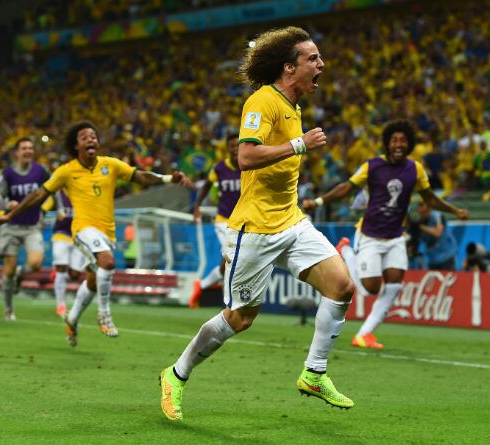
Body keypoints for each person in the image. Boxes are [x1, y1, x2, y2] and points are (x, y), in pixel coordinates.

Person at [160, 26, 356, 422]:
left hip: (291, 220)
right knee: (239, 319)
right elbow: (245, 157)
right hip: (254, 230)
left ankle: (314, 373)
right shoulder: (262, 101)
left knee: (342, 286)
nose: (322, 64)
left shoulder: (294, 105)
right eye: (313, 59)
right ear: (289, 67)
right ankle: (176, 373)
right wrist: (300, 144)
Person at [0, 121, 193, 346]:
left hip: (107, 232)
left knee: (92, 281)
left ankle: (72, 319)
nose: (91, 139)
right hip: (82, 230)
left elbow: (141, 177)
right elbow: (39, 195)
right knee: (107, 262)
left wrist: (168, 178)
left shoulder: (110, 165)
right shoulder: (66, 171)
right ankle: (104, 314)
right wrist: (9, 216)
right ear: (76, 145)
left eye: (93, 136)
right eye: (84, 137)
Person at [303, 120, 469, 350]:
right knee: (371, 288)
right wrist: (319, 201)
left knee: (394, 285)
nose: (398, 144)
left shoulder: (415, 169)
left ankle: (364, 334)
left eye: (403, 140)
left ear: (409, 143)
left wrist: (454, 210)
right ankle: (346, 252)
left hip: (395, 237)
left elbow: (429, 199)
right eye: (394, 140)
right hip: (370, 235)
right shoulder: (372, 166)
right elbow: (346, 188)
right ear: (387, 144)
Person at [0, 137, 50, 320]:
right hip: (11, 226)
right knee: (7, 270)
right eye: (24, 148)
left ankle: (21, 272)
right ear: (17, 152)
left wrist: (52, 207)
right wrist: (7, 203)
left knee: (35, 264)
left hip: (32, 226)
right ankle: (8, 308)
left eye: (30, 148)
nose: (28, 151)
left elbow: (53, 189)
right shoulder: (8, 173)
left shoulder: (41, 171)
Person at [189, 133, 241, 308]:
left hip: (245, 221)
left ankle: (201, 285)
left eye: (238, 145)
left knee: (227, 264)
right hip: (224, 220)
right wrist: (197, 206)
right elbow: (206, 186)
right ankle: (229, 304)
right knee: (232, 258)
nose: (235, 149)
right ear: (227, 149)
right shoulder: (219, 168)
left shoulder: (249, 167)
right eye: (232, 146)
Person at [42, 190, 86, 318]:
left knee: (75, 275)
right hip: (60, 234)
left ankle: (58, 272)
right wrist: (41, 220)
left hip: (78, 237)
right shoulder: (57, 194)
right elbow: (43, 208)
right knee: (62, 269)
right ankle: (61, 305)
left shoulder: (81, 193)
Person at [416, 200, 459, 270]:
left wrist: (420, 227)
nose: (420, 208)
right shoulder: (419, 222)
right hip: (433, 260)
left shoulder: (437, 216)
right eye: (419, 205)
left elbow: (438, 233)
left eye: (422, 205)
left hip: (447, 257)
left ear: (428, 206)